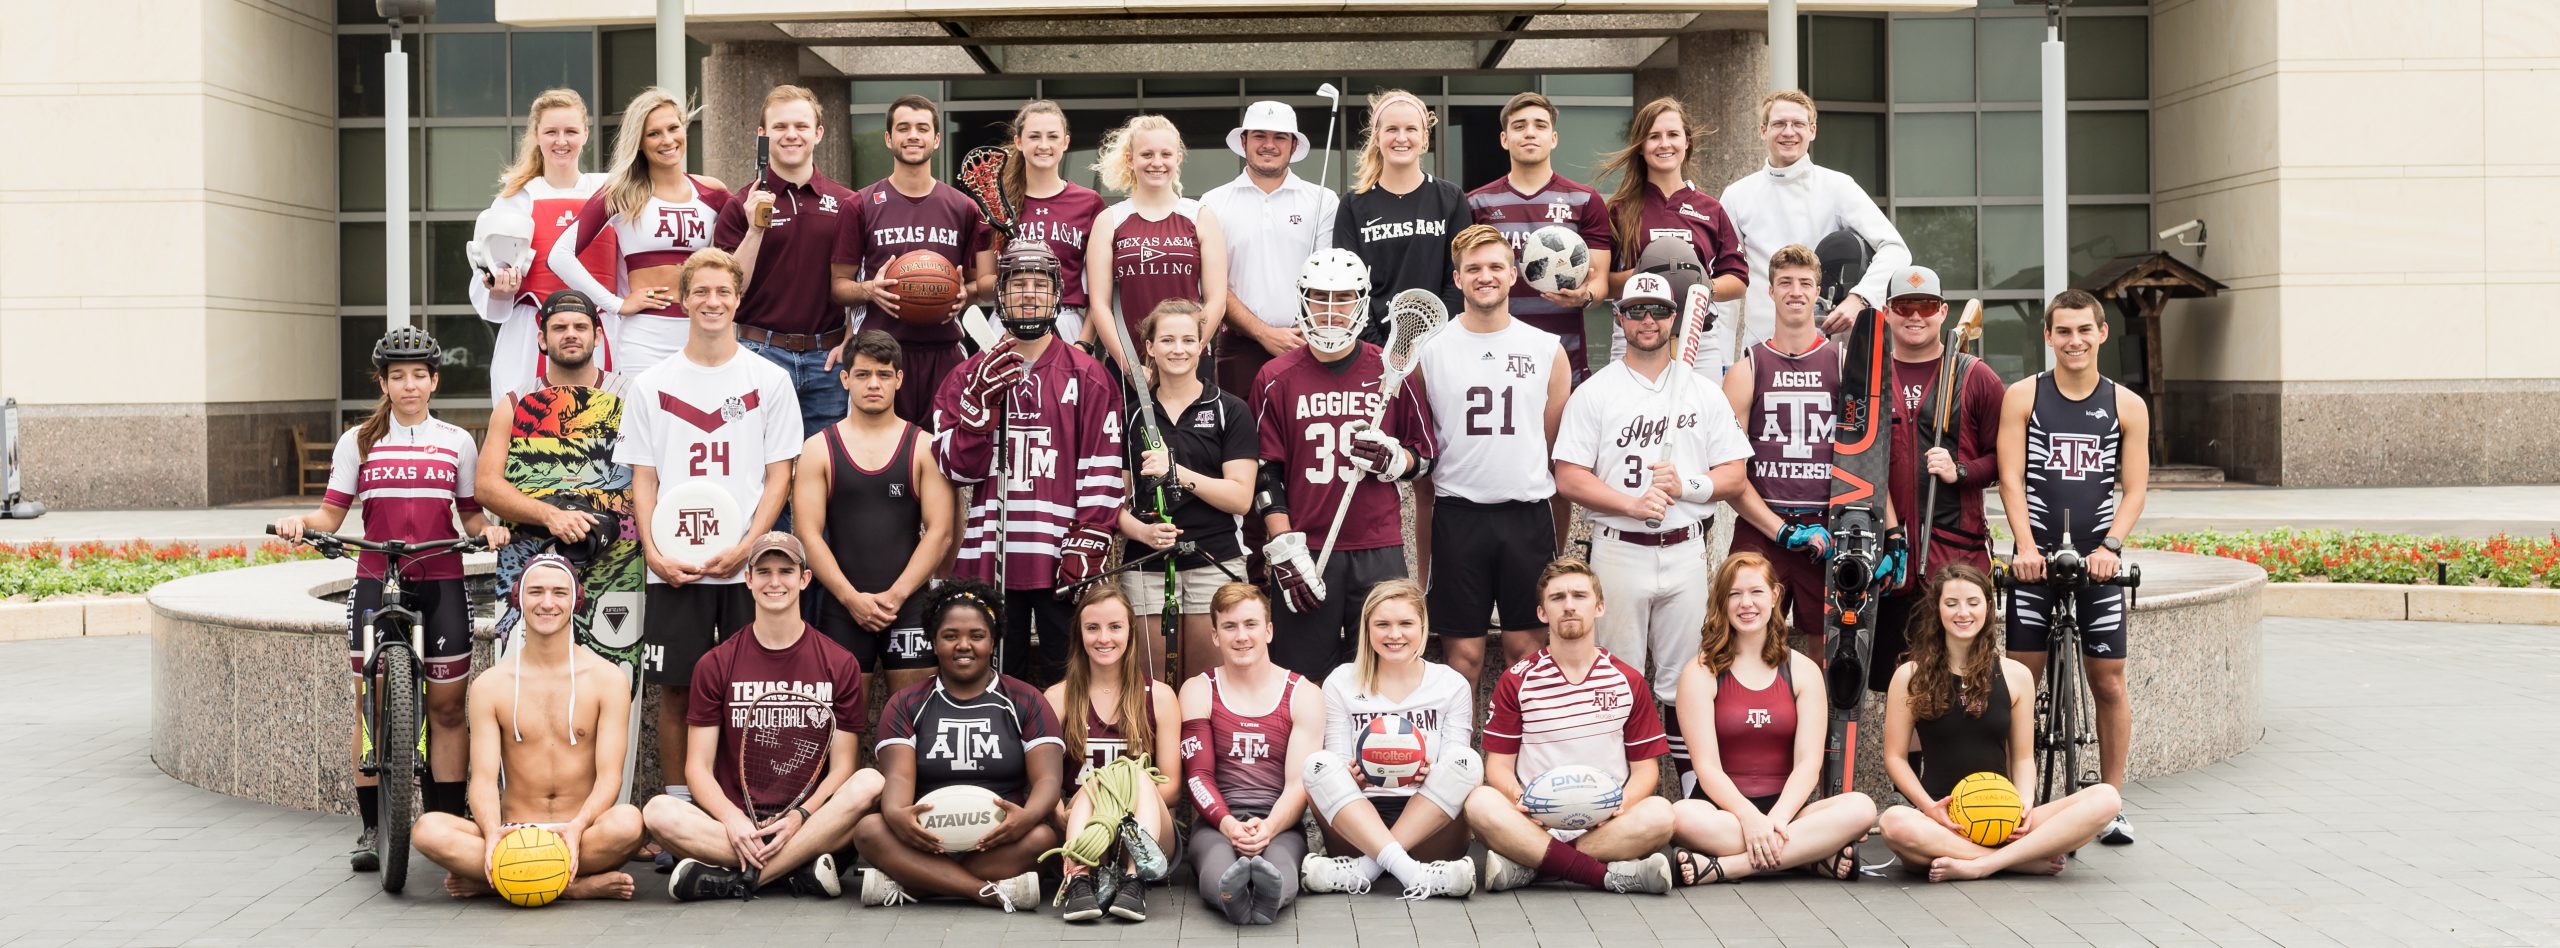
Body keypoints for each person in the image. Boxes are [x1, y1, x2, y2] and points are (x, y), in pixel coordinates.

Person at [274, 327, 509, 870]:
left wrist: (489, 528)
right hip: (376, 578)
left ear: (434, 380)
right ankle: (372, 827)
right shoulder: (358, 441)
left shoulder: (457, 440)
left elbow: (470, 514)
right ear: (383, 382)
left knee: (449, 709)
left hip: (442, 576)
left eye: (419, 375)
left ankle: (449, 825)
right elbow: (329, 516)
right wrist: (298, 523)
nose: (409, 385)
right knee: (371, 703)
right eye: (397, 376)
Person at [616, 249, 800, 813]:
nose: (712, 302)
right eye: (701, 292)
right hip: (675, 565)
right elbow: (642, 480)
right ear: (683, 298)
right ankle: (679, 809)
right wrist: (653, 550)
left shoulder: (768, 380)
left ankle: (754, 803)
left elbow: (779, 478)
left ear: (738, 299)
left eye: (723, 292)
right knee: (677, 692)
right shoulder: (650, 385)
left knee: (755, 694)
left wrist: (749, 548)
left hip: (744, 566)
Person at [640, 533, 880, 900]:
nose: (775, 582)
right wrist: (733, 820)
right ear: (748, 579)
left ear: (804, 579)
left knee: (870, 783)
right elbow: (697, 769)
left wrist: (799, 816)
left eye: (786, 571)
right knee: (659, 811)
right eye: (764, 572)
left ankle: (741, 879)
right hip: (736, 825)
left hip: (808, 821)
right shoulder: (716, 663)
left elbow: (844, 768)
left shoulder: (839, 663)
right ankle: (795, 869)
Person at [931, 240, 1125, 687]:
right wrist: (978, 412)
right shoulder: (968, 374)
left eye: (1040, 284)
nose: (1029, 294)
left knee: (1068, 678)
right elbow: (955, 469)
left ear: (1057, 294)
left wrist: (1091, 534)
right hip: (990, 555)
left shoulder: (1087, 374)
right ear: (1001, 295)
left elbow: (1102, 466)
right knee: (996, 677)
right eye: (1019, 284)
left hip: (1061, 555)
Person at [1996, 287, 2151, 845]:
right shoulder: (2024, 396)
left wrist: (2110, 546)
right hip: (2035, 558)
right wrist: (2024, 547)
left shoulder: (2127, 405)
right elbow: (2010, 479)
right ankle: (2015, 799)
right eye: (2063, 331)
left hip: (2097, 561)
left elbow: (2134, 489)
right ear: (2048, 336)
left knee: (2108, 683)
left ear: (2102, 333)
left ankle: (2109, 803)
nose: (2075, 340)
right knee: (2020, 679)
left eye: (2085, 330)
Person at [1552, 273, 1749, 706]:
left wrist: (1688, 486)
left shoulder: (1704, 391)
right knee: (1615, 680)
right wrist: (1632, 504)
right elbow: (1568, 476)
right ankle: (1622, 775)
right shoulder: (1593, 393)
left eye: (1658, 310)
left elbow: (1735, 474)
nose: (1647, 319)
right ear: (1619, 318)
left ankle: (1689, 777)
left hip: (1686, 552)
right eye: (1635, 310)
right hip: (1619, 549)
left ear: (1674, 318)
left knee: (1689, 685)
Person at [1250, 248, 1438, 682]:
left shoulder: (1393, 369)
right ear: (1302, 299)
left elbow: (1425, 456)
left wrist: (1395, 459)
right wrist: (1283, 546)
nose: (1331, 311)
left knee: (1382, 676)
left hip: (1378, 546)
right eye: (1320, 297)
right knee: (1301, 678)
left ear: (1361, 301)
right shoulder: (1275, 376)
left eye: (1343, 299)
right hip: (1305, 549)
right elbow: (1265, 471)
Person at [415, 555, 645, 901]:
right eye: (535, 592)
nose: (547, 603)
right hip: (513, 833)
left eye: (559, 593)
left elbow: (610, 778)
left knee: (629, 823)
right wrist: (492, 833)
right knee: (427, 829)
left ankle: (505, 879)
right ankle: (571, 887)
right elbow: (483, 780)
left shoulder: (608, 679)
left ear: (575, 601)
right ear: (518, 598)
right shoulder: (491, 685)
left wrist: (578, 826)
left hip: (579, 831)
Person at [1878, 564, 2125, 880]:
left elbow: (2023, 757)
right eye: (1951, 603)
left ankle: (1983, 863)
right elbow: (1895, 757)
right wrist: (1929, 809)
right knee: (1894, 822)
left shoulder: (2016, 676)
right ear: (1936, 610)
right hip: (1942, 823)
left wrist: (2022, 807)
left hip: (2003, 817)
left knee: (2107, 798)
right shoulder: (1909, 676)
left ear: (1987, 608)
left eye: (1972, 602)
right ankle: (2014, 861)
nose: (1962, 612)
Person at [1412, 224, 1570, 689]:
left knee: (1527, 652)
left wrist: (1555, 543)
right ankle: (1461, 760)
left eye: (1496, 266)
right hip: (1458, 515)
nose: (1486, 276)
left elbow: (1555, 460)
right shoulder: (1431, 351)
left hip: (1526, 514)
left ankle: (1516, 759)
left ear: (1513, 274)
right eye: (1474, 268)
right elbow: (1424, 463)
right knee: (1462, 659)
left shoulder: (1546, 349)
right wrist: (1424, 570)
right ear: (1457, 278)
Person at [1462, 560, 1678, 895]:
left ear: (1599, 607)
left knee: (1661, 814)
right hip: (1536, 818)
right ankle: (1605, 875)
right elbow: (1499, 768)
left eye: (1580, 595)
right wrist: (1523, 802)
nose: (1569, 605)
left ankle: (1532, 867)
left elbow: (1646, 771)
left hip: (1606, 820)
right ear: (1542, 612)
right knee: (1479, 802)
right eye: (1558, 597)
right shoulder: (1518, 680)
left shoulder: (1627, 680)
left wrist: (1618, 805)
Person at [853, 580, 1066, 912]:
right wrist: (897, 816)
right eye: (950, 636)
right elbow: (899, 779)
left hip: (999, 840)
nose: (963, 645)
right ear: (934, 643)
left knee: (1042, 839)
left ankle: (913, 885)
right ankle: (988, 892)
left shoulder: (1025, 699)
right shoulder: (907, 703)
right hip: (925, 840)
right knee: (869, 830)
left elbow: (1048, 781)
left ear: (993, 641)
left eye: (976, 636)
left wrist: (1024, 820)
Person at [1665, 553, 1875, 884]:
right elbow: (1706, 768)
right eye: (1734, 594)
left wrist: (1774, 819)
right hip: (1724, 814)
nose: (1746, 603)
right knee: (1678, 817)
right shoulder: (1700, 672)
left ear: (1775, 595)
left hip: (1788, 812)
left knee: (1862, 808)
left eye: (1756, 592)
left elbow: (1808, 764)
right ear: (1722, 602)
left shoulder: (1802, 670)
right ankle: (1807, 857)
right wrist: (1750, 819)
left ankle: (1725, 867)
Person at [792, 330, 955, 704]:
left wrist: (895, 597)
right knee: (841, 730)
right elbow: (807, 534)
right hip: (841, 605)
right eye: (863, 375)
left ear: (899, 379)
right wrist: (851, 599)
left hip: (909, 606)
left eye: (884, 374)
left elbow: (940, 532)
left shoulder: (924, 447)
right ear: (845, 379)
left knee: (915, 724)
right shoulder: (818, 449)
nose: (874, 384)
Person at [1868, 265, 2006, 694]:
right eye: (1903, 306)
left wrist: (1960, 470)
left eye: (1925, 305)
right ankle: (1904, 764)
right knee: (1898, 688)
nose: (1915, 316)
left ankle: (1956, 765)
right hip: (1889, 563)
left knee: (1960, 680)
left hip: (1956, 560)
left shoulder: (1975, 376)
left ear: (1943, 311)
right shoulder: (1868, 377)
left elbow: (2005, 462)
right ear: (1887, 313)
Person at [1298, 580, 1480, 900]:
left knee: (1469, 763)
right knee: (1317, 764)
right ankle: (1416, 875)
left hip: (1430, 819)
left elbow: (1455, 760)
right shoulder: (1341, 681)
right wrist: (1351, 775)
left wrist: (1431, 771)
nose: (1394, 635)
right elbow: (1337, 759)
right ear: (1367, 629)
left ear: (1423, 627)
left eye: (1405, 624)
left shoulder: (1450, 684)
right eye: (1382, 624)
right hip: (1359, 817)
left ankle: (1364, 870)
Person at [476, 290, 634, 653]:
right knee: (525, 684)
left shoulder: (631, 397)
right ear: (541, 338)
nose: (571, 334)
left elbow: (651, 479)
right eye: (559, 327)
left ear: (598, 334)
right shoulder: (516, 403)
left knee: (617, 676)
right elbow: (486, 486)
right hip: (529, 560)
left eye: (581, 326)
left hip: (617, 562)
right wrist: (551, 516)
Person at [829, 94, 996, 422]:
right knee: (881, 458)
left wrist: (966, 294)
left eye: (922, 128)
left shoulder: (964, 208)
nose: (913, 136)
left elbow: (984, 287)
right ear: (889, 138)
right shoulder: (860, 204)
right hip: (880, 354)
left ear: (935, 139)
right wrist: (870, 291)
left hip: (944, 352)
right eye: (903, 128)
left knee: (942, 458)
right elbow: (838, 288)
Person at [1117, 300, 1258, 682]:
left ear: (1203, 346)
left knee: (1205, 684)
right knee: (1150, 685)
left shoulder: (1231, 409)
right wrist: (1142, 532)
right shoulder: (1130, 415)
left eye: (1187, 339)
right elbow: (1114, 502)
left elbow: (1241, 498)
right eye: (1166, 340)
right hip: (1145, 561)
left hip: (1214, 558)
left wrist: (1176, 471)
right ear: (1148, 347)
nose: (1177, 349)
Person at [550, 87, 731, 378]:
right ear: (640, 142)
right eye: (654, 133)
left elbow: (743, 255)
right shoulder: (621, 193)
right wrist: (616, 305)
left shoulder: (713, 193)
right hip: (645, 337)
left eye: (673, 128)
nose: (668, 140)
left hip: (702, 332)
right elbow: (559, 255)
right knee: (644, 422)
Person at [716, 84, 861, 437]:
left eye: (801, 126)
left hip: (827, 360)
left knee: (826, 476)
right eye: (780, 127)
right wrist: (753, 230)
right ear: (763, 135)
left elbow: (863, 280)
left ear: (818, 133)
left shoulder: (848, 203)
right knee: (758, 470)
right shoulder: (739, 205)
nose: (791, 135)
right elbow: (728, 289)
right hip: (759, 354)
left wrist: (853, 338)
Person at [1717, 90, 1910, 350]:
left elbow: (1896, 250)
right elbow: (1728, 281)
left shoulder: (1837, 186)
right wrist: (1723, 364)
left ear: (1813, 130)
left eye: (1798, 124)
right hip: (1760, 348)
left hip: (1826, 348)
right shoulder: (1737, 195)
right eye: (1778, 124)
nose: (1788, 132)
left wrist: (1859, 299)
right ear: (1763, 130)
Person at [1181, 583, 1325, 925]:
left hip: (1281, 822)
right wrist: (1229, 825)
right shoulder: (1199, 689)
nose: (1241, 636)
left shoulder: (1303, 693)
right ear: (1215, 636)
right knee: (1216, 872)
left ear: (1269, 630)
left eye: (1250, 625)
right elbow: (1197, 776)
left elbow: (1298, 785)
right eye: (1229, 627)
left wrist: (1270, 827)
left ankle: (1263, 903)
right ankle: (1235, 900)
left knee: (1280, 870)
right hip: (1216, 823)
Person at [1722, 244, 1840, 649]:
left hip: (1826, 528)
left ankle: (1818, 716)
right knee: (1744, 642)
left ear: (1818, 292)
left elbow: (1870, 457)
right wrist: (1781, 530)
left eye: (1805, 283)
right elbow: (1731, 475)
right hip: (1762, 527)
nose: (1795, 291)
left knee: (1828, 651)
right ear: (1769, 291)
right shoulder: (1746, 369)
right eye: (1785, 282)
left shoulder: (1842, 364)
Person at [1045, 586, 1183, 922]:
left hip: (1146, 831)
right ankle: (1077, 882)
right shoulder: (1059, 697)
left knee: (1133, 774)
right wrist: (1058, 809)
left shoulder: (1160, 696)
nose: (1104, 638)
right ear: (1079, 634)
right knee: (1096, 786)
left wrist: (1109, 794)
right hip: (1085, 829)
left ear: (1131, 632)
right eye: (1092, 628)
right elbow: (1042, 781)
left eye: (1115, 627)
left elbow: (1173, 790)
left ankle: (1134, 882)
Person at [468, 89, 607, 406]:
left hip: (599, 334)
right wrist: (501, 290)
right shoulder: (514, 198)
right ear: (536, 135)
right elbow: (488, 280)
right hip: (530, 336)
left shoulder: (606, 192)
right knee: (526, 429)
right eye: (552, 132)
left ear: (585, 134)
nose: (562, 141)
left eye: (571, 131)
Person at [1466, 91, 1612, 381]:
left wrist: (1585, 296)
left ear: (1554, 138)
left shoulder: (1584, 201)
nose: (1529, 133)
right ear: (1504, 139)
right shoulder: (1476, 204)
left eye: (1540, 125)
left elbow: (1600, 282)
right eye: (1519, 126)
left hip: (1564, 357)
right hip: (1495, 358)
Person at [1599, 96, 1747, 375]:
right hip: (1635, 337)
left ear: (1687, 141)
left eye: (1673, 135)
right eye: (1654, 136)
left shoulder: (1710, 208)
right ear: (1641, 146)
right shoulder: (1620, 209)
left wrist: (1696, 285)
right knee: (1634, 418)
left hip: (1697, 342)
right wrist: (1649, 278)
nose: (1664, 144)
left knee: (1699, 419)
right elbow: (1601, 283)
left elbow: (1738, 279)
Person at [1202, 101, 1337, 399]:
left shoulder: (1323, 200)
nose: (1269, 145)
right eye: (1260, 135)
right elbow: (1212, 284)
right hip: (1239, 347)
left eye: (1280, 137)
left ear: (1293, 145)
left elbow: (1329, 278)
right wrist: (1263, 332)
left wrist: (1305, 330)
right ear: (1243, 141)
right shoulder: (1213, 203)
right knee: (1243, 443)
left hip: (1307, 342)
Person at [1084, 114, 1228, 369]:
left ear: (1178, 158)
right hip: (1130, 366)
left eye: (1166, 154)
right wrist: (1129, 366)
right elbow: (1100, 305)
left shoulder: (1201, 217)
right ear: (1130, 159)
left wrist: (1185, 355)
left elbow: (1216, 299)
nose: (1157, 163)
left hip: (1190, 365)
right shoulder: (1109, 220)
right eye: (1147, 154)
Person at [1333, 88, 1470, 347]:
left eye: (1411, 129)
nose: (1401, 138)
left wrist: (1432, 341)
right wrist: (1378, 349)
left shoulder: (1451, 199)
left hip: (1438, 345)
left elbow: (1459, 278)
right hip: (1373, 347)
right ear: (1376, 137)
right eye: (1392, 129)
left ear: (1425, 137)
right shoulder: (1353, 205)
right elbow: (1349, 286)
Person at [1004, 100, 1105, 344]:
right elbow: (985, 281)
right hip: (1008, 319)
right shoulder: (998, 200)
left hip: (1065, 319)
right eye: (1034, 136)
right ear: (1019, 142)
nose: (1044, 145)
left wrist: (1085, 343)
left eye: (1052, 136)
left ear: (1065, 142)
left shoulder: (1089, 202)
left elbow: (1100, 291)